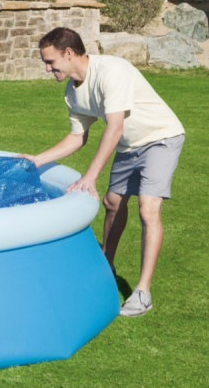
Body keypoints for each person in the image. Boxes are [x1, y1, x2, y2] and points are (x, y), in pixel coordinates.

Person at [20, 27, 185, 317]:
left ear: (68, 53)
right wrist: (37, 159)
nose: (47, 69)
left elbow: (115, 126)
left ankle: (142, 292)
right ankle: (105, 267)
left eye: (50, 62)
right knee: (112, 203)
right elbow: (77, 137)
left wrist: (90, 176)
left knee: (148, 208)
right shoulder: (72, 92)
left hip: (160, 137)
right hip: (129, 146)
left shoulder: (112, 71)